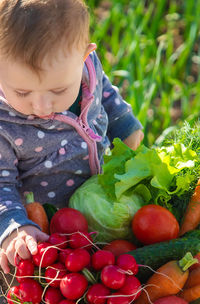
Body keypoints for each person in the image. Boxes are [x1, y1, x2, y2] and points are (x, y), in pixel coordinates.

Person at [0, 0, 144, 275]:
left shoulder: (87, 68)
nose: (41, 106)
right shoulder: (4, 125)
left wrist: (124, 125)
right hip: (44, 234)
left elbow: (104, 94)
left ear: (85, 56)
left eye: (58, 90)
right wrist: (15, 227)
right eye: (22, 92)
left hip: (97, 206)